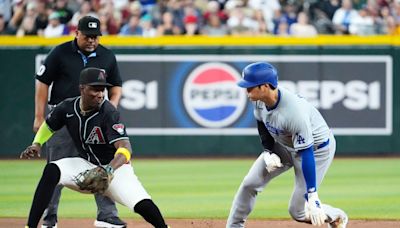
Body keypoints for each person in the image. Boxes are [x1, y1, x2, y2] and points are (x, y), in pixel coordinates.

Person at [21, 67, 169, 228]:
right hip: (85, 165)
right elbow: (49, 126)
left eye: (102, 89)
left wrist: (109, 170)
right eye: (95, 89)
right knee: (52, 170)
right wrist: (37, 143)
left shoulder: (109, 112)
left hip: (115, 169)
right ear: (82, 88)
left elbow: (125, 147)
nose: (100, 94)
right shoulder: (67, 108)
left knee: (142, 204)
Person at [226, 62, 348, 228]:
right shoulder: (258, 100)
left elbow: (306, 153)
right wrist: (268, 151)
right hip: (284, 144)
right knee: (250, 182)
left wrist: (312, 195)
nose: (246, 91)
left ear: (265, 86)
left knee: (297, 211)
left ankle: (336, 215)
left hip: (316, 151)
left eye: (250, 87)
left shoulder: (294, 113)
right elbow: (262, 123)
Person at [34, 16, 125, 228]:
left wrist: (111, 106)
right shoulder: (60, 52)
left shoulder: (107, 56)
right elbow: (42, 83)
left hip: (95, 118)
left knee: (102, 165)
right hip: (63, 116)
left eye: (95, 37)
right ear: (77, 33)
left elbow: (116, 86)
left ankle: (107, 215)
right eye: (88, 36)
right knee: (56, 168)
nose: (92, 40)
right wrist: (39, 116)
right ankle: (49, 219)